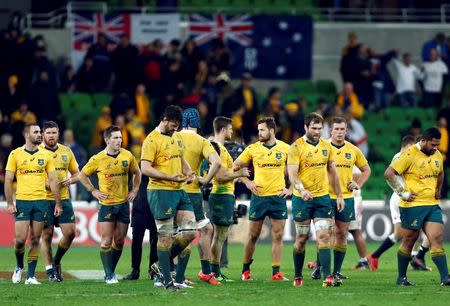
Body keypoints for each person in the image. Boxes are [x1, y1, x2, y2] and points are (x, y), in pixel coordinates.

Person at [140, 105, 197, 291]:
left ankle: (158, 265)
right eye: (173, 124)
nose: (176, 128)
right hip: (160, 191)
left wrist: (188, 172)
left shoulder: (177, 137)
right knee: (165, 237)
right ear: (164, 119)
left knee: (190, 231)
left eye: (178, 125)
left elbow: (181, 158)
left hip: (179, 190)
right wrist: (169, 177)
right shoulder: (151, 140)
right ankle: (166, 279)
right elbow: (145, 168)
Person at [385, 127, 450, 286]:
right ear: (424, 141)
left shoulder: (437, 155)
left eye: (438, 145)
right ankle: (402, 278)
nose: (436, 148)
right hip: (412, 205)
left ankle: (445, 278)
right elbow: (389, 173)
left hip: (432, 205)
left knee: (436, 238)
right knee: (409, 240)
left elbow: (440, 173)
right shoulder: (410, 154)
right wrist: (402, 193)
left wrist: (438, 189)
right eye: (433, 145)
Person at [287, 112, 345, 287]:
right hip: (302, 198)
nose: (317, 131)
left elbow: (333, 173)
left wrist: (340, 194)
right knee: (302, 239)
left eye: (320, 128)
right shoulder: (296, 147)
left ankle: (328, 277)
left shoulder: (327, 147)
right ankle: (298, 276)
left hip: (322, 198)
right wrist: (302, 189)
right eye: (314, 128)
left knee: (324, 236)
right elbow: (292, 174)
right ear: (306, 127)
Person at [79, 125, 141, 284]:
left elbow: (137, 172)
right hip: (106, 204)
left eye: (120, 137)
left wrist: (134, 190)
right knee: (106, 241)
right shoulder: (97, 159)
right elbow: (82, 175)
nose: (119, 140)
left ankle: (110, 271)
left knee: (119, 241)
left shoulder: (127, 156)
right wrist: (93, 191)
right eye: (115, 138)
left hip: (123, 204)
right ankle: (109, 275)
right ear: (107, 140)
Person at [233, 117, 291, 281]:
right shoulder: (253, 149)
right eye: (258, 130)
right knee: (253, 235)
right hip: (259, 197)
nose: (259, 133)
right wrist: (248, 182)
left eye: (262, 130)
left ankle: (276, 273)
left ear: (272, 131)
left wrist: (291, 189)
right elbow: (236, 166)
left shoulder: (286, 148)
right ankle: (245, 271)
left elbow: (297, 171)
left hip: (278, 197)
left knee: (278, 235)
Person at [314, 117, 371, 280]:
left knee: (342, 234)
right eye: (336, 129)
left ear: (346, 131)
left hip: (346, 198)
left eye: (342, 129)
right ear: (330, 131)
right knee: (326, 233)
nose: (339, 132)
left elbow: (366, 170)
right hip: (325, 196)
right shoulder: (321, 147)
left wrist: (358, 183)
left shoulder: (353, 150)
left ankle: (336, 271)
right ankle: (320, 267)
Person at [5, 123, 62, 285]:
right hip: (23, 202)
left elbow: (52, 180)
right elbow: (8, 180)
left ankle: (30, 276)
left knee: (36, 239)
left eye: (39, 132)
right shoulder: (15, 154)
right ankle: (19, 266)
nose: (40, 134)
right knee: (20, 240)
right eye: (36, 132)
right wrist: (10, 203)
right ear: (27, 135)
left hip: (41, 202)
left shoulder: (46, 155)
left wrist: (58, 203)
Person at [368, 135, 431, 271]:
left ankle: (375, 256)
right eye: (414, 147)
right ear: (408, 146)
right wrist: (403, 192)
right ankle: (416, 259)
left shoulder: (402, 156)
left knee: (399, 233)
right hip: (403, 198)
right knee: (415, 230)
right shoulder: (402, 157)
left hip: (402, 197)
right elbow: (389, 176)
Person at [177, 108, 221, 285]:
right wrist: (206, 180)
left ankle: (178, 272)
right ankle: (199, 272)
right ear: (196, 122)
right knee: (198, 231)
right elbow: (216, 161)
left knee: (179, 233)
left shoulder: (173, 137)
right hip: (193, 192)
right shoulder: (201, 141)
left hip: (172, 190)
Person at [209, 116, 250, 281]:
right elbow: (220, 176)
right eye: (230, 129)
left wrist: (234, 176)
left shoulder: (218, 147)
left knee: (219, 236)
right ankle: (215, 272)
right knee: (218, 236)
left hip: (223, 194)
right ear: (224, 129)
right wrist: (239, 173)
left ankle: (214, 271)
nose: (232, 131)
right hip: (221, 195)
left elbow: (224, 174)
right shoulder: (218, 148)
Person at [40, 121, 80, 282]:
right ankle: (50, 271)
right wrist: (44, 183)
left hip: (64, 199)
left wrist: (70, 181)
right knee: (47, 235)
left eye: (54, 133)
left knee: (70, 233)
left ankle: (57, 261)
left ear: (58, 134)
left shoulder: (66, 151)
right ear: (43, 134)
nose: (51, 136)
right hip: (44, 200)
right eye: (48, 133)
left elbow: (78, 174)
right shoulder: (37, 152)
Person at [122, 171, 159, 281]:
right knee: (137, 239)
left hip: (155, 204)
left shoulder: (159, 162)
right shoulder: (141, 163)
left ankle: (153, 270)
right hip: (140, 204)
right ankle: (135, 270)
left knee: (155, 239)